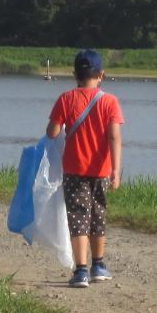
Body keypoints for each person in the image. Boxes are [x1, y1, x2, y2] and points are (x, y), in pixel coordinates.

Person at [45, 49, 125, 289]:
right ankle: (98, 265)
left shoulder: (65, 99)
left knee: (78, 218)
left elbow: (53, 132)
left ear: (74, 74)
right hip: (101, 170)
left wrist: (58, 126)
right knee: (98, 216)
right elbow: (114, 138)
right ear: (102, 75)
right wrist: (116, 170)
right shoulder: (110, 102)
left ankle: (81, 271)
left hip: (74, 170)